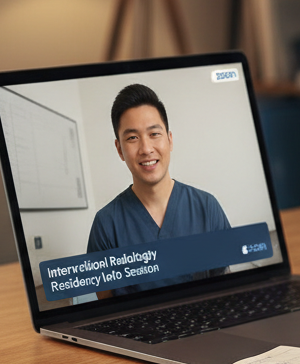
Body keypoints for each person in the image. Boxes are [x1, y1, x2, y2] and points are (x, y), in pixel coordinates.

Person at [88, 83, 231, 293]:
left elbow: (226, 290)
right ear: (119, 149)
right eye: (132, 138)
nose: (146, 149)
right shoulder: (106, 225)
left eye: (154, 134)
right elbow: (108, 312)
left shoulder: (206, 207)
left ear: (169, 140)